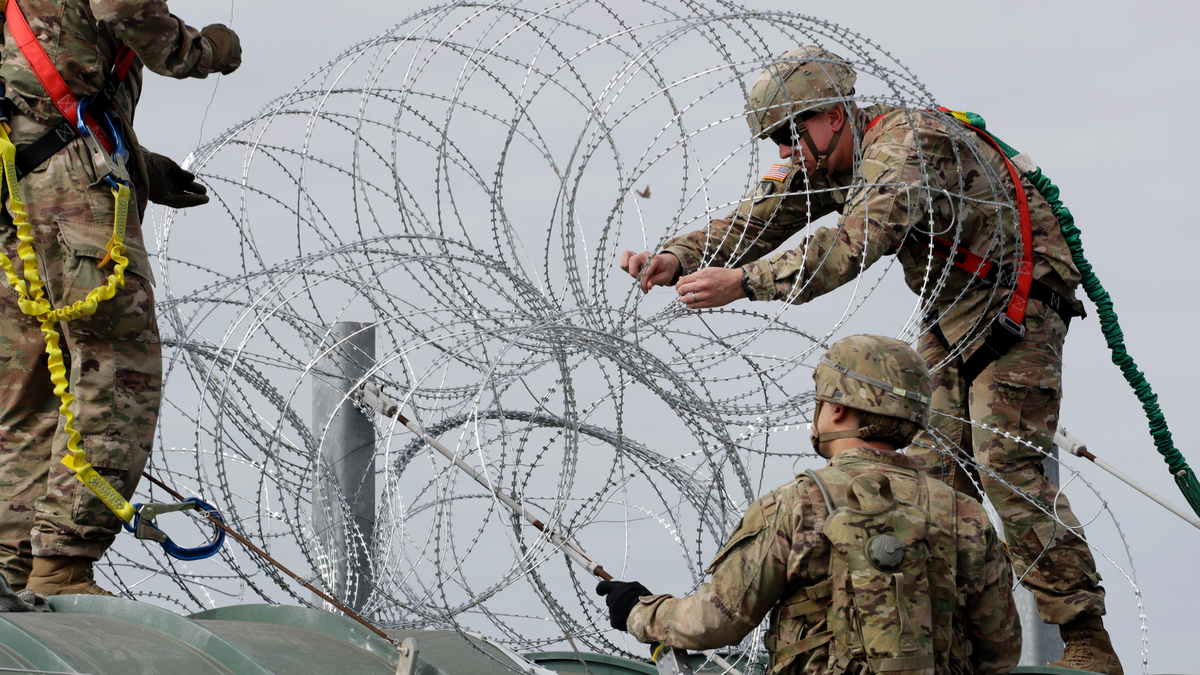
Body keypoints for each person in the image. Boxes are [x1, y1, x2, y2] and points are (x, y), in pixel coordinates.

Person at [618, 46, 1121, 674]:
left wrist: (745, 284)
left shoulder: (907, 148)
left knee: (1004, 464)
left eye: (786, 133)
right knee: (929, 482)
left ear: (831, 115)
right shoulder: (830, 157)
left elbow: (851, 245)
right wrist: (680, 257)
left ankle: (1085, 639)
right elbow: (765, 215)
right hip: (953, 310)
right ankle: (936, 635)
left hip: (1018, 302)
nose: (782, 150)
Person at [0, 0, 241, 596]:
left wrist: (140, 165)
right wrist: (206, 50)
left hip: (19, 179)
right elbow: (124, 8)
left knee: (30, 381)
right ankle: (60, 561)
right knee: (116, 365)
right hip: (62, 188)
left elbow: (51, 83)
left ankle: (14, 561)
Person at [598, 335, 1021, 674]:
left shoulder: (800, 500)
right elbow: (999, 654)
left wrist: (641, 610)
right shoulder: (965, 512)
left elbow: (718, 619)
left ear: (837, 409)